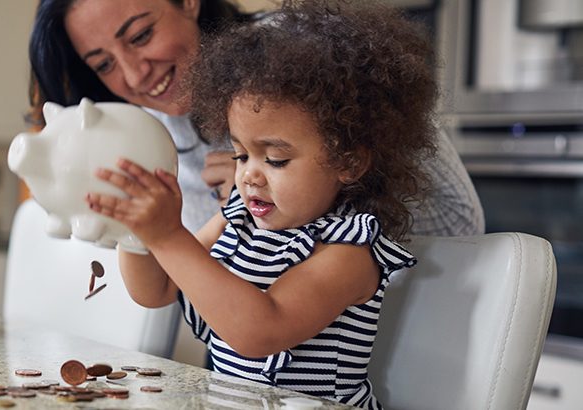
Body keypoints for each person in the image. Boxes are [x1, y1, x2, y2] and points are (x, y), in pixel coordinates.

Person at [83, 1, 437, 407]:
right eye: (240, 155)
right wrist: (137, 230)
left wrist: (168, 235)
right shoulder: (235, 219)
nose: (249, 175)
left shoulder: (347, 253)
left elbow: (260, 331)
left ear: (348, 161)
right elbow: (156, 288)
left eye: (276, 159)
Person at [27, 0, 485, 237]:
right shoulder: (147, 128)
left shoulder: (299, 59)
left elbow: (458, 221)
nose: (133, 74)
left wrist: (297, 196)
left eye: (142, 34)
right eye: (103, 64)